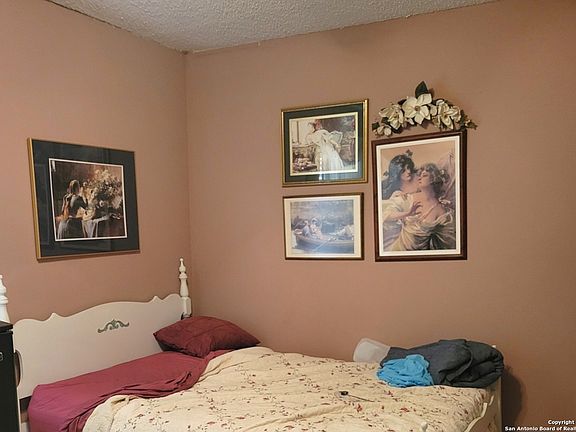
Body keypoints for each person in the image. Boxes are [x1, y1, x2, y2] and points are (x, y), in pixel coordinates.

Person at [388, 163, 456, 251]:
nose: (419, 178)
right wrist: (408, 213)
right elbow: (387, 215)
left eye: (424, 175)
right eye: (419, 175)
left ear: (433, 179)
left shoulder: (443, 211)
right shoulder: (407, 199)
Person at [379, 151, 420, 249]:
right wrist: (408, 213)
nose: (408, 172)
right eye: (403, 170)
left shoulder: (416, 180)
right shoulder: (395, 193)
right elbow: (387, 213)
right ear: (397, 172)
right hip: (396, 234)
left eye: (408, 168)